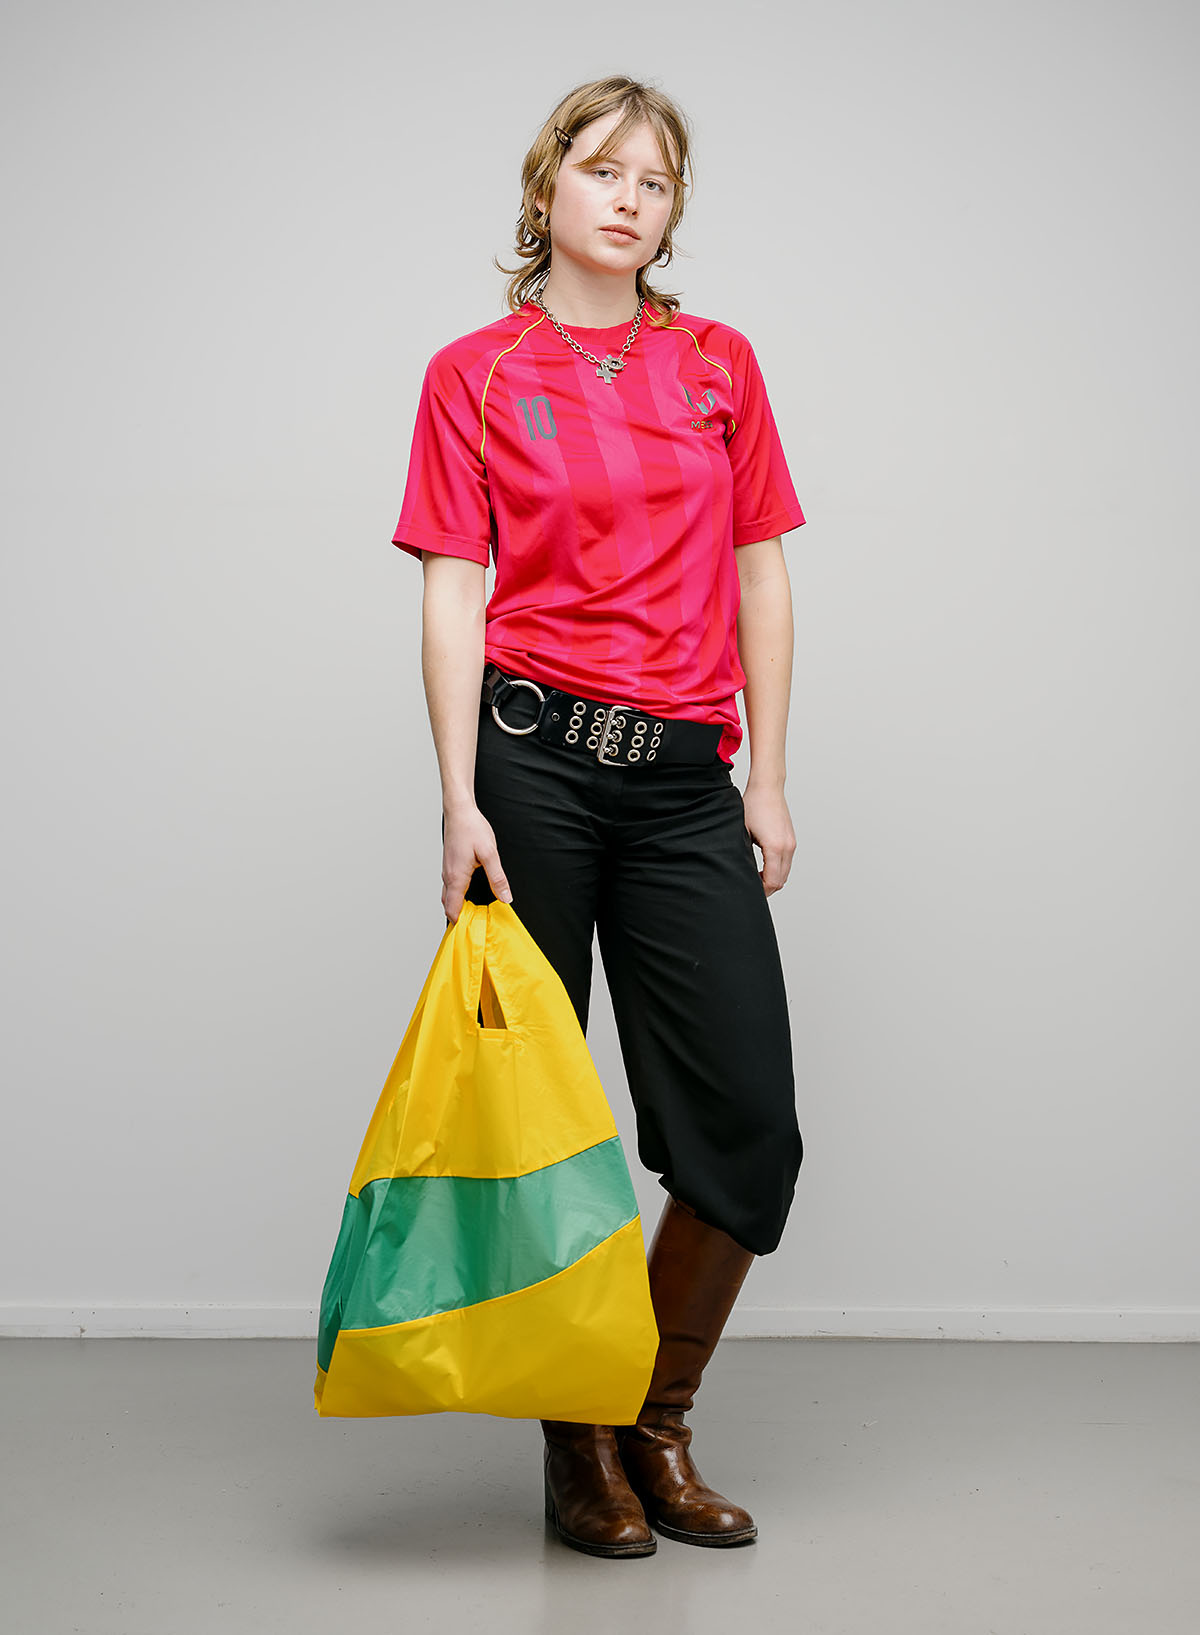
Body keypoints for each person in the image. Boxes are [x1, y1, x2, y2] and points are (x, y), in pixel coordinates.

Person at [390, 74, 807, 1560]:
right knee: (547, 1127)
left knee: (747, 1129)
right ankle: (580, 1451)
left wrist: (766, 775)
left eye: (657, 179)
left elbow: (760, 569)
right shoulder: (475, 374)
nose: (630, 198)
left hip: (686, 777)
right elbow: (454, 590)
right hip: (534, 775)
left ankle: (651, 1421)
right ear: (546, 187)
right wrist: (457, 800)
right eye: (603, 169)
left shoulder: (717, 364)